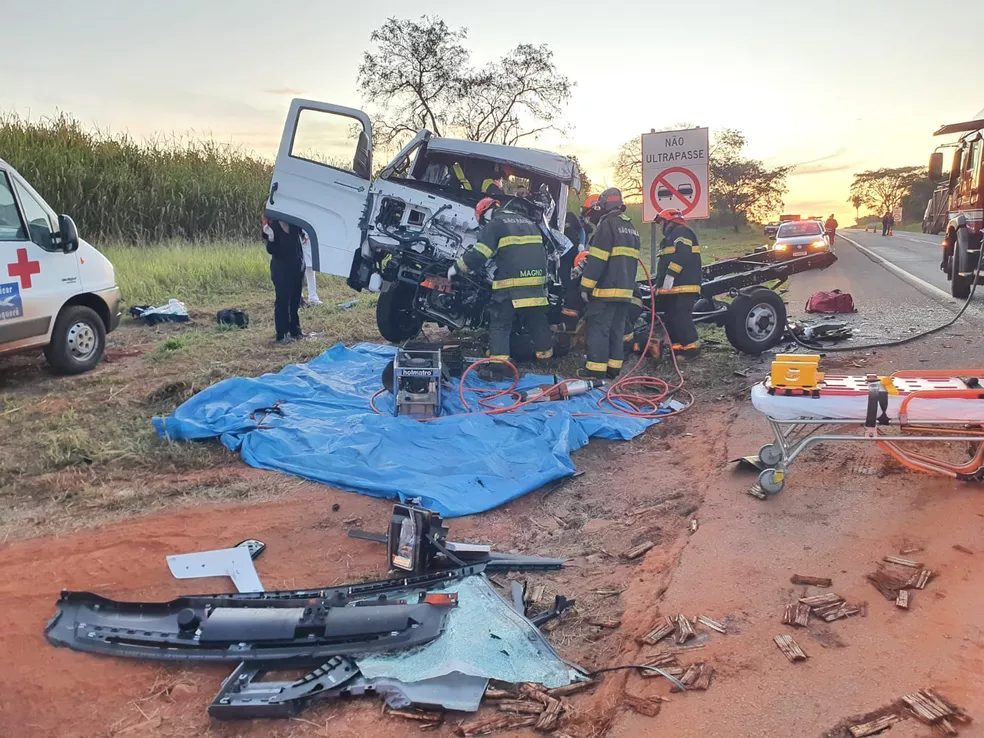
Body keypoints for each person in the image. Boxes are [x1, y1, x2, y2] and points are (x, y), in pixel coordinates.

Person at [450, 196, 552, 379]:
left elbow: (480, 254)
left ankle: (499, 367)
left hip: (512, 284)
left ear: (486, 213)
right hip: (536, 283)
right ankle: (546, 357)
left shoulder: (496, 224)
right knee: (536, 319)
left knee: (500, 321)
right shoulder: (530, 222)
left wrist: (457, 268)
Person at [577, 188, 640, 379]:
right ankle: (613, 368)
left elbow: (598, 260)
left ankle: (595, 370)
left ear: (604, 205)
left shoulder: (607, 226)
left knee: (599, 327)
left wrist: (585, 287)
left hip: (605, 290)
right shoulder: (631, 228)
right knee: (617, 329)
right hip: (625, 291)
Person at [654, 208, 702, 360]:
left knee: (681, 316)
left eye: (661, 222)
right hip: (673, 288)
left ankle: (691, 350)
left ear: (669, 221)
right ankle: (677, 349)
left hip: (684, 285)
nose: (661, 226)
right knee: (671, 317)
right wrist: (659, 284)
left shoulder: (682, 232)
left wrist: (671, 274)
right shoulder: (670, 237)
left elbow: (683, 254)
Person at [262, 216, 305, 343]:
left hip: (297, 267)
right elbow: (271, 250)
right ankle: (282, 334)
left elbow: (302, 239)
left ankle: (295, 331)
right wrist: (271, 237)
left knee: (295, 300)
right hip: (281, 269)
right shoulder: (272, 227)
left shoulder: (294, 224)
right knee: (283, 301)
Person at [300, 230, 321, 305]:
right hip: (299, 241)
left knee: (311, 270)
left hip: (309, 243)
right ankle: (299, 296)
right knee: (299, 271)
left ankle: (313, 297)